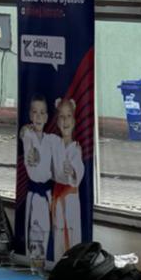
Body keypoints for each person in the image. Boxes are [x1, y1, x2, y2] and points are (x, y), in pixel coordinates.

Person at [50, 97, 86, 256]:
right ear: (57, 121)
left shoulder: (76, 148)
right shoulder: (53, 144)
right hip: (57, 197)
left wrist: (72, 171)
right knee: (58, 232)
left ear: (74, 120)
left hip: (71, 199)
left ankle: (72, 264)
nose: (65, 121)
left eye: (69, 116)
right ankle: (58, 263)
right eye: (62, 117)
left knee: (72, 232)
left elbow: (79, 171)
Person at [19, 95, 54, 259]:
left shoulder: (50, 140)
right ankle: (34, 262)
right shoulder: (28, 135)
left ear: (46, 117)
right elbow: (23, 134)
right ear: (30, 115)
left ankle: (45, 262)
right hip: (34, 193)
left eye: (42, 113)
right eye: (35, 112)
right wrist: (24, 130)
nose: (38, 117)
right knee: (34, 231)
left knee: (47, 230)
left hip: (47, 194)